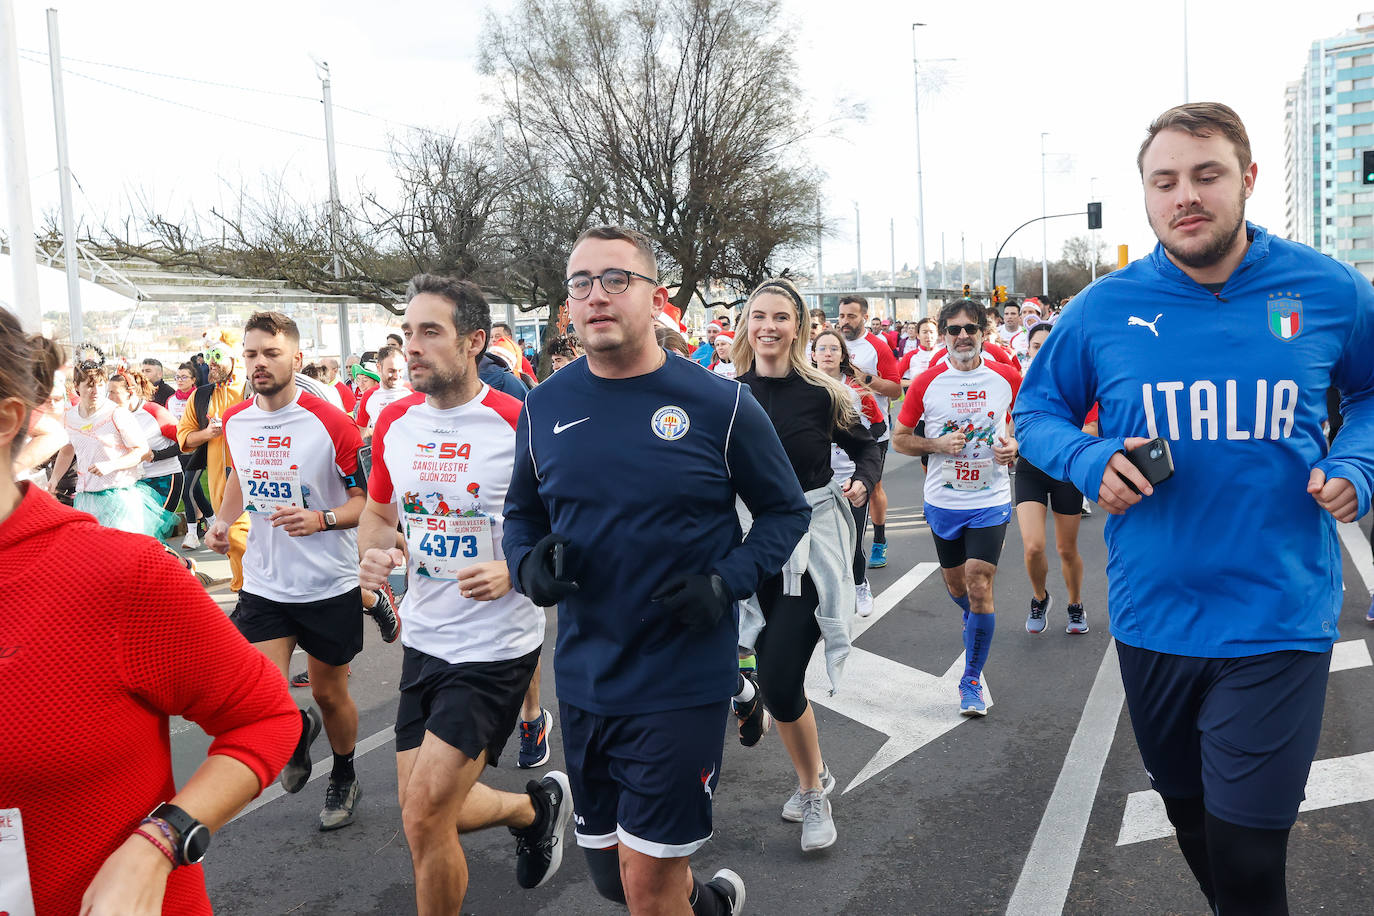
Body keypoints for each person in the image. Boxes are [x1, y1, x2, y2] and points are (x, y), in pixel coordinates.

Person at [1015, 102, 1374, 916]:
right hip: (1156, 619)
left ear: (1246, 180)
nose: (1186, 195)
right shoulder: (1105, 308)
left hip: (1277, 616)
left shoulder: (1326, 289)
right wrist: (1087, 456)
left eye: (1206, 175)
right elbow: (1037, 413)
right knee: (1194, 826)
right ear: (1146, 196)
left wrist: (1357, 459)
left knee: (1249, 855)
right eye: (1165, 181)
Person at [503, 225, 810, 914]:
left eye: (616, 280)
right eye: (581, 283)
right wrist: (528, 566)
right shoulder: (544, 405)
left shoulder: (720, 404)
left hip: (681, 676)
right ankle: (712, 905)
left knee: (645, 885)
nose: (596, 296)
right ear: (568, 306)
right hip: (585, 677)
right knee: (616, 880)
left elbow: (786, 513)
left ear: (656, 298)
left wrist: (725, 581)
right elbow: (520, 516)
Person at [0, 308, 300, 915]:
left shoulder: (115, 575)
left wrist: (157, 843)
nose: (248, 363)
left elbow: (267, 717)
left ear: (5, 418)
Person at [357, 274, 571, 913]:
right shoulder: (393, 420)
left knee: (425, 816)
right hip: (425, 639)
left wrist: (515, 568)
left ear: (475, 341)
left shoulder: (519, 421)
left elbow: (571, 526)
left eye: (430, 333)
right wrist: (376, 547)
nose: (411, 348)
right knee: (421, 812)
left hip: (496, 647)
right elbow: (377, 511)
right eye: (406, 333)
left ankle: (532, 813)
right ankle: (533, 811)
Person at [205, 311, 397, 832]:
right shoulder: (240, 421)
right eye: (251, 354)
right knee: (257, 689)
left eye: (270, 352)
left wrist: (322, 519)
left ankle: (344, 772)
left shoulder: (331, 423)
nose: (259, 363)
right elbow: (239, 480)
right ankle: (296, 730)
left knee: (330, 693)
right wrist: (223, 523)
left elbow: (372, 505)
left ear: (296, 356)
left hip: (327, 584)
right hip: (265, 583)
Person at [734, 283, 877, 853]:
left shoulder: (823, 393)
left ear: (798, 327)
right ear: (746, 324)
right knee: (767, 672)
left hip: (811, 545)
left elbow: (869, 445)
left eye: (781, 318)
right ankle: (813, 771)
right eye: (759, 316)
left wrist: (864, 479)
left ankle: (814, 789)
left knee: (779, 675)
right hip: (747, 545)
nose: (768, 326)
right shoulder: (724, 395)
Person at [892, 298, 1020, 716]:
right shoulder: (927, 383)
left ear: (984, 332)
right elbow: (900, 439)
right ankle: (974, 617)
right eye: (954, 329)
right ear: (943, 336)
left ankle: (970, 681)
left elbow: (1030, 424)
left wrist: (1016, 447)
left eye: (971, 328)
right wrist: (936, 444)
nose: (963, 336)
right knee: (957, 588)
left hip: (991, 498)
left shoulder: (1007, 378)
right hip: (944, 500)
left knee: (980, 581)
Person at [1011, 323, 1089, 635]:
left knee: (1066, 549)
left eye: (1048, 345)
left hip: (1064, 471)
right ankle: (1040, 598)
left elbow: (1092, 428)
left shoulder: (1075, 382)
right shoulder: (1017, 383)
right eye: (1035, 346)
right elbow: (1006, 424)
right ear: (1027, 350)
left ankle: (1075, 604)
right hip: (1030, 469)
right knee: (1032, 546)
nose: (1041, 351)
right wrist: (1011, 442)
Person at [48, 353, 177, 538]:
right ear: (77, 387)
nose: (96, 391)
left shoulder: (117, 414)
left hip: (119, 495)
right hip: (86, 497)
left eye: (100, 385)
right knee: (95, 556)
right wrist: (54, 479)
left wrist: (111, 465)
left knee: (128, 554)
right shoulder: (69, 416)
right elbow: (67, 449)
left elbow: (141, 450)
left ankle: (184, 564)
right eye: (89, 386)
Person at [812, 328, 886, 616]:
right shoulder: (805, 386)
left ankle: (859, 582)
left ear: (843, 355)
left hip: (850, 479)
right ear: (813, 354)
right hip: (816, 480)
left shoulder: (856, 391)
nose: (828, 353)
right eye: (822, 348)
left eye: (833, 349)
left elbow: (878, 431)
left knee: (853, 540)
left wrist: (866, 473)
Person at [176, 329, 251, 590]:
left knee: (240, 535)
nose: (211, 362)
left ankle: (246, 588)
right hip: (220, 478)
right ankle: (244, 588)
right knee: (229, 535)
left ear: (233, 358)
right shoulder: (201, 395)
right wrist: (207, 433)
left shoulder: (250, 387)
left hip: (254, 474)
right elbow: (184, 436)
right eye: (208, 356)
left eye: (217, 355)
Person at [835, 296, 900, 570]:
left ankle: (879, 540)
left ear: (864, 317)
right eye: (841, 315)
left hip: (872, 431)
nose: (844, 321)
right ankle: (844, 544)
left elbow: (896, 390)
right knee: (836, 487)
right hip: (835, 430)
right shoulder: (831, 343)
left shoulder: (877, 347)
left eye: (851, 316)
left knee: (872, 488)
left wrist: (867, 380)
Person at [109, 369, 187, 527]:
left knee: (153, 530)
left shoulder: (154, 412)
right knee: (137, 532)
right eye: (108, 392)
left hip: (165, 478)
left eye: (113, 392)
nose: (109, 398)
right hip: (135, 482)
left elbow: (185, 442)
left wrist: (155, 455)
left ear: (130, 393)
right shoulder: (115, 415)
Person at [356, 345, 414, 438]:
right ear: (379, 367)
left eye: (400, 370)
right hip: (380, 452)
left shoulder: (413, 392)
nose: (397, 375)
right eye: (392, 371)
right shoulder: (369, 396)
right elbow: (359, 433)